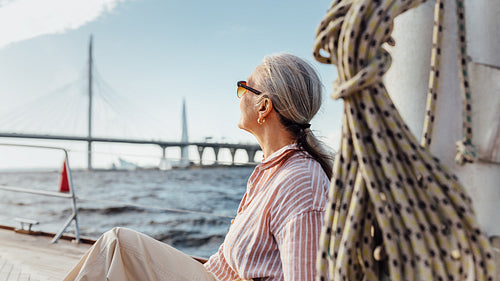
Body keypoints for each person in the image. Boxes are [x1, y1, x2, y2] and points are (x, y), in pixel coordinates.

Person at [64, 53, 333, 281]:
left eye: (243, 87)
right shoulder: (273, 169)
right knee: (118, 246)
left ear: (264, 107)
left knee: (118, 244)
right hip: (209, 274)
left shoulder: (301, 181)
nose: (238, 96)